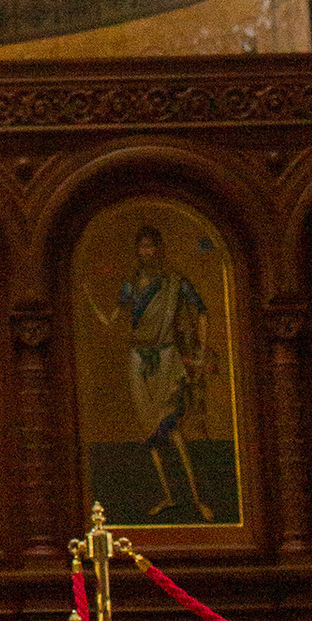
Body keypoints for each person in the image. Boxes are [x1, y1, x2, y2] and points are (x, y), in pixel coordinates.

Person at [116, 222, 213, 520]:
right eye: (142, 246)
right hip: (138, 360)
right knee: (151, 433)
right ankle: (169, 495)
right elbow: (117, 315)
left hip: (167, 357)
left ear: (159, 249)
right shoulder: (131, 285)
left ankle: (196, 499)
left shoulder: (175, 282)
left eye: (151, 246)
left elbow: (202, 312)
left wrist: (200, 352)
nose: (147, 252)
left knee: (172, 428)